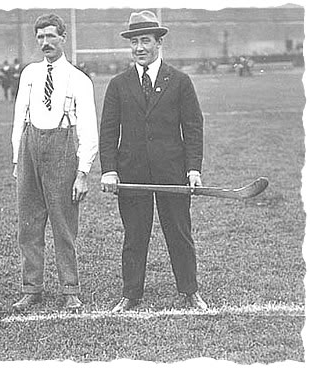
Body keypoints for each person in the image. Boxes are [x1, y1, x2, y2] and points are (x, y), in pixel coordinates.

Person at [99, 10, 207, 312]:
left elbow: (193, 128)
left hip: (172, 173)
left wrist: (193, 169)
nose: (139, 48)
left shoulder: (180, 81)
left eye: (145, 41)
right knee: (134, 236)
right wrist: (109, 170)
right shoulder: (118, 84)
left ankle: (189, 290)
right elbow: (108, 131)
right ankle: (130, 294)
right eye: (134, 42)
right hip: (132, 174)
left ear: (159, 42)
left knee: (179, 233)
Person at [10, 13, 98, 312]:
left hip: (62, 150)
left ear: (63, 37)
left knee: (63, 226)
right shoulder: (30, 74)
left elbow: (88, 129)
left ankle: (69, 289)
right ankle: (31, 288)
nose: (45, 42)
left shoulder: (79, 79)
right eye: (40, 37)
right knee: (29, 226)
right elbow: (18, 119)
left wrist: (83, 172)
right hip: (29, 149)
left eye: (50, 36)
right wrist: (15, 161)